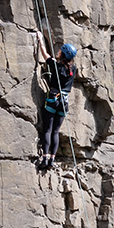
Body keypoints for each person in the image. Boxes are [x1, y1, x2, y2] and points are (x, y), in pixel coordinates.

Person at [35, 30, 78, 171]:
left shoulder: (55, 65)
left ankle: (45, 157)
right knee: (55, 131)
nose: (58, 51)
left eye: (60, 50)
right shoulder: (74, 69)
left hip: (53, 100)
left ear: (63, 54)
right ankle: (52, 159)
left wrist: (41, 40)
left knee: (47, 130)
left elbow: (44, 53)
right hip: (64, 103)